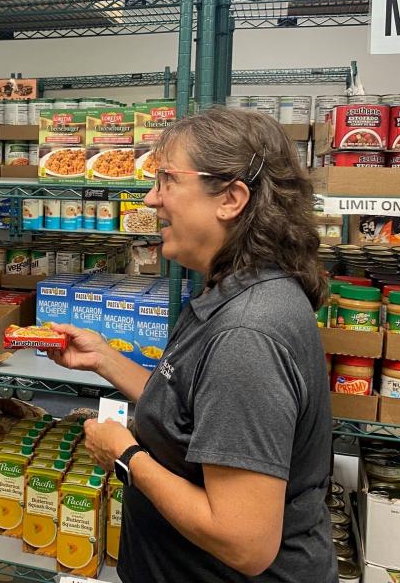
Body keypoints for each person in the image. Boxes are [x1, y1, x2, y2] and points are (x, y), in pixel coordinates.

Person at [49, 107, 335, 582]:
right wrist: (104, 358)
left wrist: (125, 455)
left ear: (230, 198)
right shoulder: (241, 289)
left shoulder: (247, 336)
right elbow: (194, 411)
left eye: (166, 179)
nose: (150, 198)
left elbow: (243, 543)